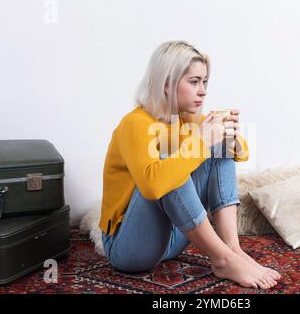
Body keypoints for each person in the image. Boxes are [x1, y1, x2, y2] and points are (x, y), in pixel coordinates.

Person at [99, 41, 281, 289]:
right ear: (167, 83)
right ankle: (223, 258)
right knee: (167, 164)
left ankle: (232, 249)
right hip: (129, 248)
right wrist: (201, 142)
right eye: (194, 82)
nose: (203, 90)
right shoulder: (135, 123)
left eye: (204, 82)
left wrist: (230, 138)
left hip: (174, 239)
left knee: (217, 146)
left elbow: (240, 154)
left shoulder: (188, 119)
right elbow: (153, 187)